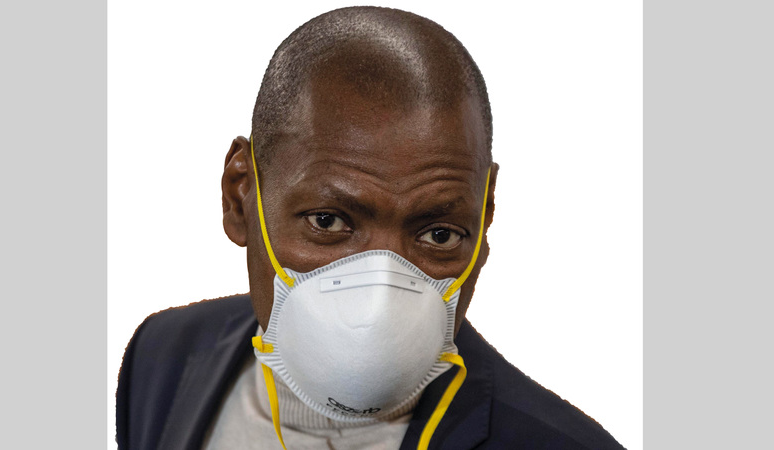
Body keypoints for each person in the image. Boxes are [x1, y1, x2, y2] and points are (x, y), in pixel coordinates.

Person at [117, 6, 625, 449]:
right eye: (328, 221)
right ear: (239, 197)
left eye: (438, 235)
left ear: (485, 214)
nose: (379, 299)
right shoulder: (162, 356)